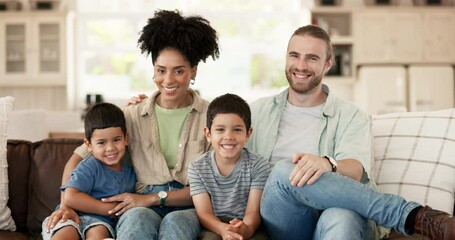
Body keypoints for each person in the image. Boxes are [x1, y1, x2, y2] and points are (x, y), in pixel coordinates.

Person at [246, 24, 455, 240]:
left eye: (312, 58)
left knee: (343, 216)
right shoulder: (256, 112)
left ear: (328, 64)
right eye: (294, 55)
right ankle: (410, 216)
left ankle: (413, 217)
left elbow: (356, 169)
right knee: (283, 172)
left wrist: (328, 164)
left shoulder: (351, 115)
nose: (301, 65)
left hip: (334, 211)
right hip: (284, 218)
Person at [44, 9, 220, 240]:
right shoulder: (132, 115)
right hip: (140, 203)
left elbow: (209, 185)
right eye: (161, 70)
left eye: (179, 71)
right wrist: (65, 202)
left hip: (187, 203)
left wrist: (155, 199)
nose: (168, 80)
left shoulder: (212, 117)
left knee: (176, 224)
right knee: (136, 219)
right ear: (153, 71)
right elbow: (79, 157)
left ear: (193, 71)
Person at [42, 102, 137, 240]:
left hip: (101, 223)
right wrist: (109, 209)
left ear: (126, 139)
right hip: (70, 215)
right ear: (88, 145)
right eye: (101, 142)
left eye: (116, 140)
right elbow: (70, 196)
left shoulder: (131, 173)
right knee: (65, 233)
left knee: (98, 232)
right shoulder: (90, 166)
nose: (110, 148)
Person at [188, 93, 270, 240]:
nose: (229, 136)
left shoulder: (259, 165)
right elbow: (204, 213)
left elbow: (253, 212)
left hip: (246, 223)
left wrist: (246, 230)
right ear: (208, 134)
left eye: (237, 130)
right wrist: (223, 229)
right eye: (220, 130)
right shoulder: (197, 168)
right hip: (214, 224)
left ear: (248, 133)